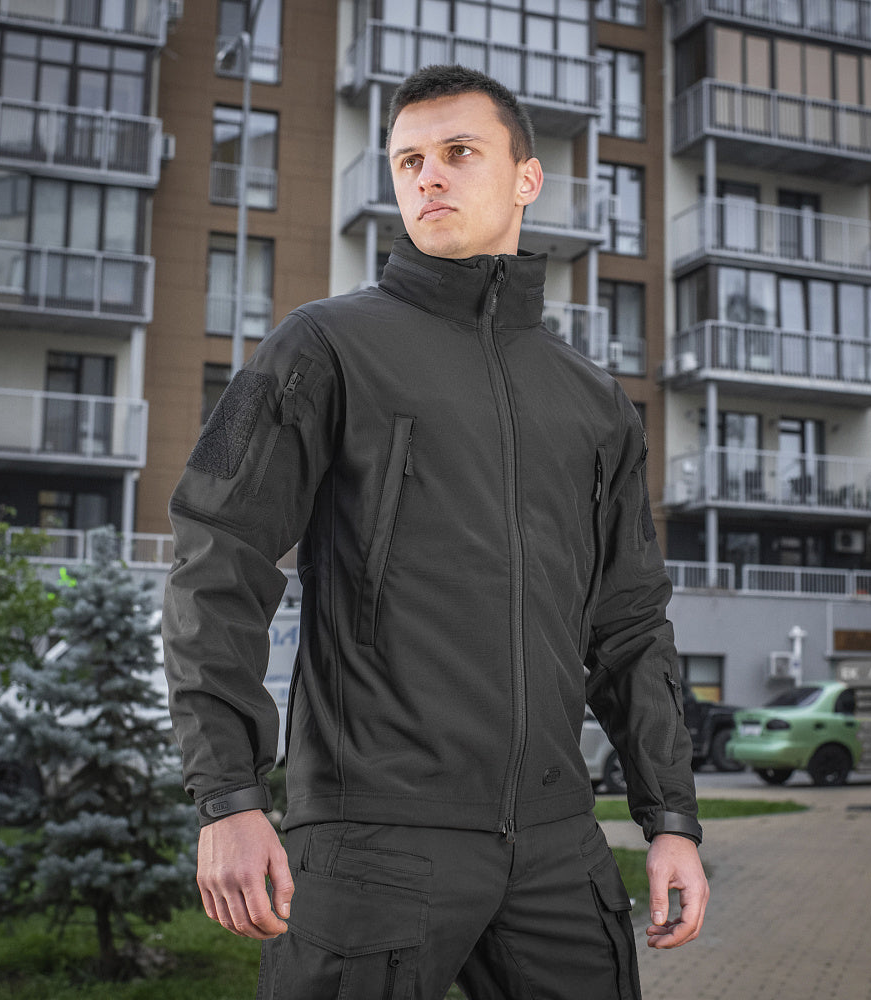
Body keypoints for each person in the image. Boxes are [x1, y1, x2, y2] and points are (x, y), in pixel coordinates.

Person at [163, 64, 708, 1000]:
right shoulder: (319, 347)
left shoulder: (596, 403)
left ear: (527, 178)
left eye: (459, 152)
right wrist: (229, 797)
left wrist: (671, 820)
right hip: (372, 844)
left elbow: (629, 623)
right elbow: (217, 555)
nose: (429, 177)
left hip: (555, 847)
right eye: (409, 161)